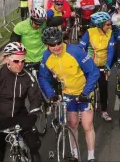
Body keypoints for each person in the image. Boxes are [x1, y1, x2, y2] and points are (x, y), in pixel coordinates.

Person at [38, 27, 99, 162]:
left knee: (87, 125)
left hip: (84, 92)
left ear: (62, 40)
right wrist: (51, 94)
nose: (56, 47)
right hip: (67, 94)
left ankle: (91, 157)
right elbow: (42, 77)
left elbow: (94, 72)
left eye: (58, 42)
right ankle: (75, 154)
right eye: (52, 45)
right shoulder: (46, 57)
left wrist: (86, 92)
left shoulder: (76, 51)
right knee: (72, 124)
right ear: (47, 45)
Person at [0, 42, 43, 162]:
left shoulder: (28, 76)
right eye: (16, 61)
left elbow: (35, 98)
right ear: (7, 58)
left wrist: (33, 115)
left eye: (23, 61)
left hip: (19, 116)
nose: (20, 65)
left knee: (35, 145)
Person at [79, 12, 115, 122]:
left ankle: (104, 111)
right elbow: (81, 48)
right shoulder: (90, 33)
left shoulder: (110, 33)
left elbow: (111, 51)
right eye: (107, 25)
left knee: (104, 87)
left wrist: (107, 66)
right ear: (100, 25)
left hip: (103, 65)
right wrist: (83, 63)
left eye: (110, 24)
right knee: (86, 88)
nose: (110, 26)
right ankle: (82, 111)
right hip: (90, 65)